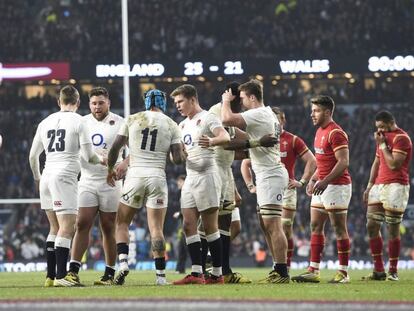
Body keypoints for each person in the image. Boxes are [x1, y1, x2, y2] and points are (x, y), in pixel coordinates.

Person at [106, 89, 186, 286]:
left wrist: (110, 168)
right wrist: (181, 152)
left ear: (147, 102)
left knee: (122, 222)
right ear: (163, 102)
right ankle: (160, 276)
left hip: (135, 176)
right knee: (156, 228)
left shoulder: (133, 118)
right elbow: (177, 160)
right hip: (157, 177)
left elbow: (115, 148)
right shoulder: (171, 123)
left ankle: (123, 263)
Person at [29, 85, 104, 287]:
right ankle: (62, 276)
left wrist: (38, 177)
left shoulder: (45, 122)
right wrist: (102, 160)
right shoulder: (80, 121)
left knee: (54, 228)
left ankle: (50, 277)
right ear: (78, 102)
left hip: (46, 176)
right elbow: (89, 156)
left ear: (58, 102)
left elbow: (33, 156)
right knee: (67, 227)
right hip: (64, 176)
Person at [221, 79, 290, 283]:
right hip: (267, 174)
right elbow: (245, 135)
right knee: (265, 224)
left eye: (242, 98)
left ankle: (282, 271)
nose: (240, 102)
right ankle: (277, 267)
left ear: (252, 97)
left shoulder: (258, 114)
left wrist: (226, 100)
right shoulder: (266, 114)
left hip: (271, 174)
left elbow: (226, 119)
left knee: (273, 225)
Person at [241, 107, 316, 270]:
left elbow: (312, 161)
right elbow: (245, 163)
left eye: (279, 118)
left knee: (284, 225)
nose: (276, 121)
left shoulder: (293, 140)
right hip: (266, 187)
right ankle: (277, 264)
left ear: (283, 120)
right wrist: (250, 186)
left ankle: (284, 267)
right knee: (267, 227)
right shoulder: (263, 139)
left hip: (287, 188)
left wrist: (302, 182)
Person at [171, 84, 231, 285]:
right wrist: (180, 155)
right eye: (176, 102)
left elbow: (225, 136)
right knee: (188, 224)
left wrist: (212, 142)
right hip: (190, 177)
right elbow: (177, 157)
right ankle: (196, 273)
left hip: (208, 175)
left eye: (180, 101)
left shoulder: (207, 118)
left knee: (209, 226)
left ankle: (217, 273)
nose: (178, 106)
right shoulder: (181, 125)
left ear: (192, 99)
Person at [68, 87, 128, 285]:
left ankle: (109, 274)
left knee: (108, 226)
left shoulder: (120, 122)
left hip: (110, 182)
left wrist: (124, 164)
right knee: (82, 223)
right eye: (94, 103)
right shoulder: (81, 122)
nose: (97, 106)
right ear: (89, 104)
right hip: (87, 179)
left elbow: (134, 151)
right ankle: (73, 271)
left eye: (101, 102)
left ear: (108, 102)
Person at [292, 95, 352, 284]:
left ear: (327, 112)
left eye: (316, 110)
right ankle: (313, 269)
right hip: (322, 184)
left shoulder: (336, 133)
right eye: (312, 110)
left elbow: (343, 162)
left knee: (338, 228)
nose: (312, 114)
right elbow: (322, 162)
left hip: (337, 185)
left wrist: (325, 181)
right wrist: (312, 179)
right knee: (315, 226)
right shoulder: (319, 131)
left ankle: (343, 272)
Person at [201, 81, 251, 284]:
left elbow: (231, 147)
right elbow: (226, 141)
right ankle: (207, 269)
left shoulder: (229, 115)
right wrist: (253, 143)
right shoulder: (218, 112)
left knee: (227, 223)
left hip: (224, 171)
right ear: (233, 97)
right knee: (212, 223)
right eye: (241, 99)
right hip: (213, 171)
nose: (243, 104)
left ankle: (221, 269)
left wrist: (252, 147)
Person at [362, 110, 412, 281]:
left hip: (396, 186)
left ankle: (393, 271)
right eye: (377, 127)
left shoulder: (402, 138)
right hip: (378, 185)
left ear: (391, 123)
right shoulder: (381, 138)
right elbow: (377, 162)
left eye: (382, 127)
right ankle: (378, 270)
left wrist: (383, 145)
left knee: (392, 229)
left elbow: (393, 165)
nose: (380, 131)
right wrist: (369, 186)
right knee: (371, 225)